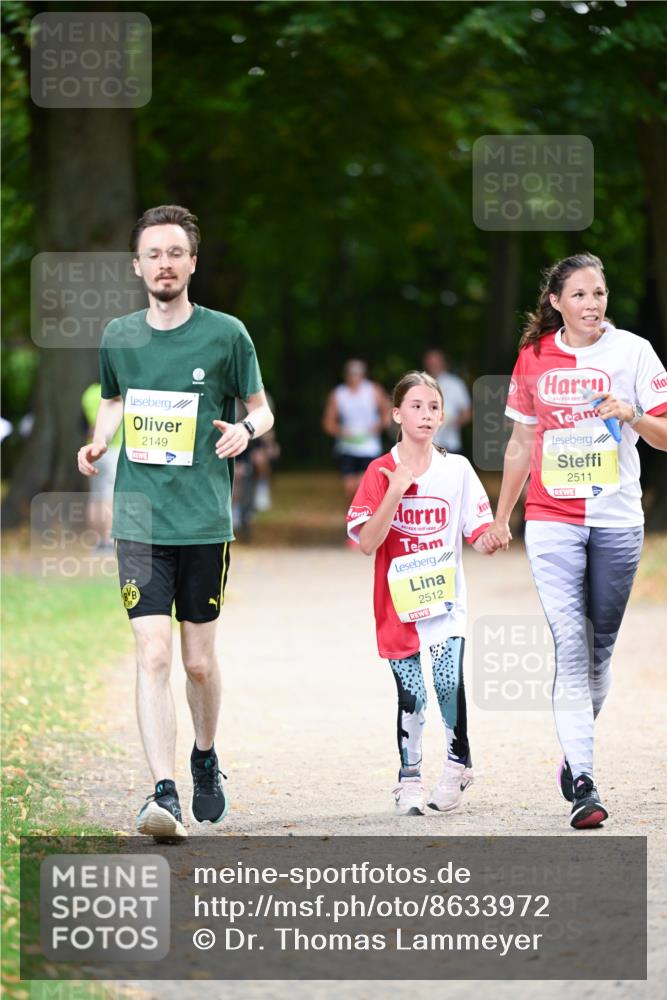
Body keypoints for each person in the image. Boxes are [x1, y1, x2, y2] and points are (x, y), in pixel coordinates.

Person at [77, 204, 274, 842]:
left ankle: (204, 756)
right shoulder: (119, 335)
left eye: (175, 253)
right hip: (139, 517)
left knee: (198, 662)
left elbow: (262, 409)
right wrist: (100, 440)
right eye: (153, 254)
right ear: (137, 266)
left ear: (193, 262)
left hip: (204, 521)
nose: (164, 263)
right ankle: (162, 791)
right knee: (153, 651)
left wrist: (245, 431)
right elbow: (113, 399)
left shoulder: (227, 335)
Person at [485, 252, 667, 830]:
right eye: (580, 295)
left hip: (616, 518)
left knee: (599, 652)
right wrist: (502, 517)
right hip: (551, 518)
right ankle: (584, 783)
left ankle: (573, 748)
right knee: (570, 644)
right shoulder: (534, 356)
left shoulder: (633, 352)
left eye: (599, 293)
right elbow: (520, 444)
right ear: (556, 302)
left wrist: (632, 415)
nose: (592, 304)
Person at [346, 371, 497, 815]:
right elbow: (367, 543)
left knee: (448, 682)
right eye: (416, 406)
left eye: (434, 407)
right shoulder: (379, 471)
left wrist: (490, 538)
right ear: (396, 414)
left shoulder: (458, 470)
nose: (426, 415)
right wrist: (395, 489)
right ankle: (409, 779)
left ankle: (457, 764)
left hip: (444, 601)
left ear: (443, 416)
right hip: (397, 605)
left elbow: (478, 531)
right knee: (412, 697)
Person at [322, 359, 392, 506]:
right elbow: (328, 423)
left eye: (357, 373)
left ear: (363, 374)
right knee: (349, 487)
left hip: (369, 447)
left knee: (363, 484)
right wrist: (340, 431)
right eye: (351, 373)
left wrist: (378, 426)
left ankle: (365, 515)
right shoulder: (339, 394)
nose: (354, 377)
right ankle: (353, 515)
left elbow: (387, 412)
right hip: (347, 447)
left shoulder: (373, 390)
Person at [81, 382, 121, 550]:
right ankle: (109, 539)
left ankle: (97, 539)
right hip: (113, 448)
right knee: (109, 495)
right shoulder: (119, 392)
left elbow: (84, 423)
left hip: (92, 449)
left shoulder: (89, 393)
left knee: (95, 496)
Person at [422, 348, 472, 454]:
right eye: (430, 363)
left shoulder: (455, 384)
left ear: (443, 362)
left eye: (436, 362)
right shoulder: (420, 384)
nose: (433, 366)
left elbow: (467, 414)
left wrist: (453, 423)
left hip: (450, 445)